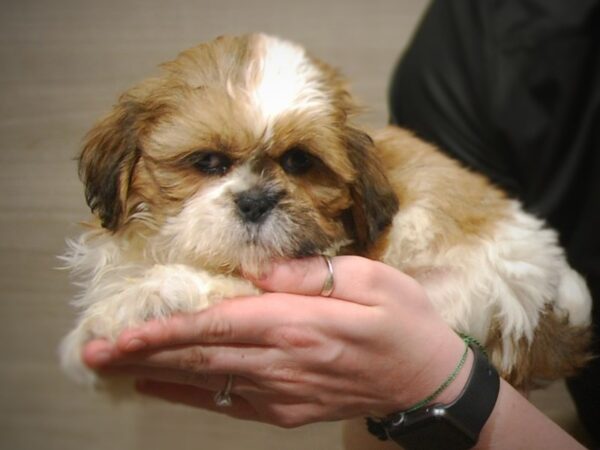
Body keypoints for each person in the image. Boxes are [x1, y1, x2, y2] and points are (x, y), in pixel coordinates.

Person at [83, 1, 599, 448]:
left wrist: (435, 384)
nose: (256, 196)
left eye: (300, 163)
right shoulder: (483, 38)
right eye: (208, 163)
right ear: (125, 169)